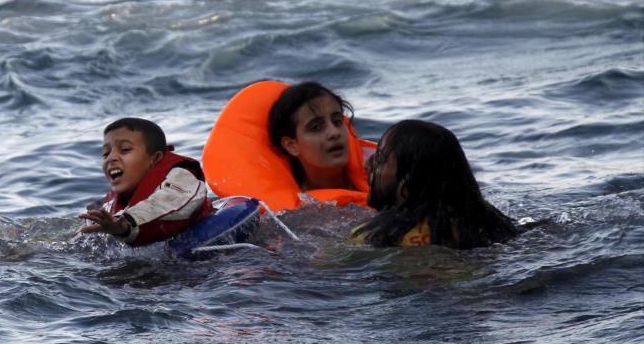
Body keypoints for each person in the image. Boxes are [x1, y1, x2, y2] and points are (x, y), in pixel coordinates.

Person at [202, 80, 374, 212]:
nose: (334, 132)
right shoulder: (289, 214)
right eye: (316, 127)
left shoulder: (384, 174)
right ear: (291, 145)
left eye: (337, 121)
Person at [349, 119, 518, 249]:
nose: (367, 164)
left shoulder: (375, 236)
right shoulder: (493, 224)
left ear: (406, 188)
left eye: (379, 159)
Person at [78, 117, 212, 246]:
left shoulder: (182, 178)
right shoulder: (110, 204)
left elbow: (166, 203)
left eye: (125, 150)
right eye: (105, 154)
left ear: (154, 159)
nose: (111, 158)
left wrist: (124, 225)